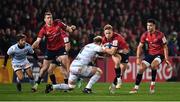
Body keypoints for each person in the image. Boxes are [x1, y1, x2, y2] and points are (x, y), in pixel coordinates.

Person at [31, 11, 76, 92]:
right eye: (48, 18)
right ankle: (37, 85)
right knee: (45, 69)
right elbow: (38, 41)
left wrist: (72, 28)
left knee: (65, 65)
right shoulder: (43, 29)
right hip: (50, 50)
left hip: (60, 49)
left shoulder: (58, 23)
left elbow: (69, 29)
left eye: (51, 17)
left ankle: (68, 85)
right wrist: (33, 46)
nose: (50, 19)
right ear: (45, 20)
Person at [129, 19, 171, 94]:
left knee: (153, 65)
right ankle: (135, 88)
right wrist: (138, 58)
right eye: (147, 25)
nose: (148, 27)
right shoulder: (145, 35)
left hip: (159, 55)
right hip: (150, 54)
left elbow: (165, 47)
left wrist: (166, 59)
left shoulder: (160, 35)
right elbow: (139, 47)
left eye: (150, 25)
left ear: (154, 26)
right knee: (140, 69)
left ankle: (152, 85)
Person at [102, 24, 129, 94]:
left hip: (125, 53)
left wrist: (105, 49)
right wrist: (106, 50)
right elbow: (111, 52)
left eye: (109, 33)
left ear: (112, 32)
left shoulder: (116, 38)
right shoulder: (103, 39)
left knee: (122, 72)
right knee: (117, 62)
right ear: (104, 33)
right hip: (117, 52)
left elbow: (112, 51)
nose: (107, 35)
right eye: (106, 33)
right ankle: (119, 81)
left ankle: (113, 85)